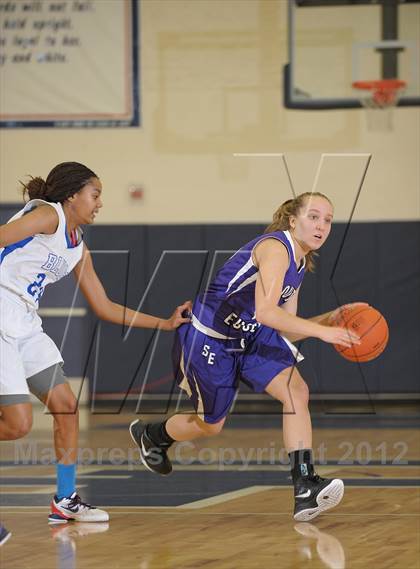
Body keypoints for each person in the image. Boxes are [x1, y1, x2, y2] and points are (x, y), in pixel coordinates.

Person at [129, 191, 364, 522]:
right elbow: (268, 312)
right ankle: (153, 435)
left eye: (328, 220)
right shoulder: (275, 248)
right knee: (211, 426)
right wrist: (324, 332)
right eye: (314, 217)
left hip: (249, 336)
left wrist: (330, 319)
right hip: (209, 337)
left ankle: (304, 486)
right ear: (293, 221)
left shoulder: (298, 263)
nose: (321, 225)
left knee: (297, 391)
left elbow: (285, 327)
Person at [0, 162, 191, 524]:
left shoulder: (76, 246)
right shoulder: (47, 216)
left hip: (25, 322)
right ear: (72, 196)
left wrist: (165, 324)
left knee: (66, 406)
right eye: (96, 194)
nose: (100, 203)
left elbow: (104, 306)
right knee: (17, 425)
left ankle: (65, 500)